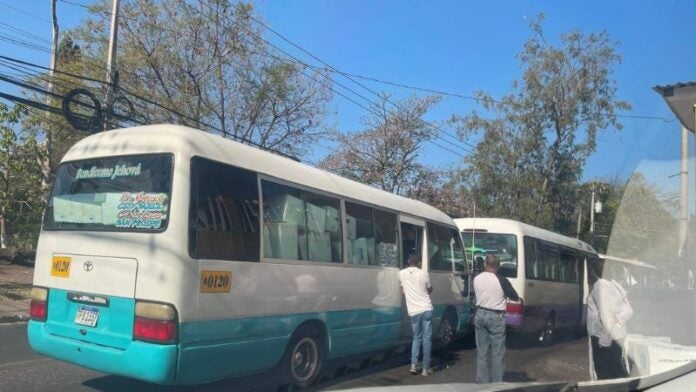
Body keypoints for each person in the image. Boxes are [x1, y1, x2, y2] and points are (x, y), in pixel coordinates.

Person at [473, 254, 519, 383]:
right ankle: (497, 384)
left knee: (482, 351)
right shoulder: (502, 280)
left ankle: (482, 383)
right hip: (496, 317)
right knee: (497, 353)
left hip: (480, 314)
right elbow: (514, 296)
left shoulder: (477, 278)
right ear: (497, 266)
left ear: (485, 264)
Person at [587, 259, 633, 380]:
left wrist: (604, 340)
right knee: (617, 369)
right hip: (618, 335)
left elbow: (605, 314)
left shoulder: (600, 286)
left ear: (593, 271)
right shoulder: (615, 286)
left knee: (605, 373)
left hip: (603, 336)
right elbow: (629, 310)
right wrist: (618, 321)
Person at [399, 253, 434, 376]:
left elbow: (403, 291)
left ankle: (413, 365)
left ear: (408, 261)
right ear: (419, 263)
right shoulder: (423, 273)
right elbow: (429, 289)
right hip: (426, 309)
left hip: (413, 311)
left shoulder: (401, 273)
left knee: (416, 337)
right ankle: (425, 369)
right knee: (427, 339)